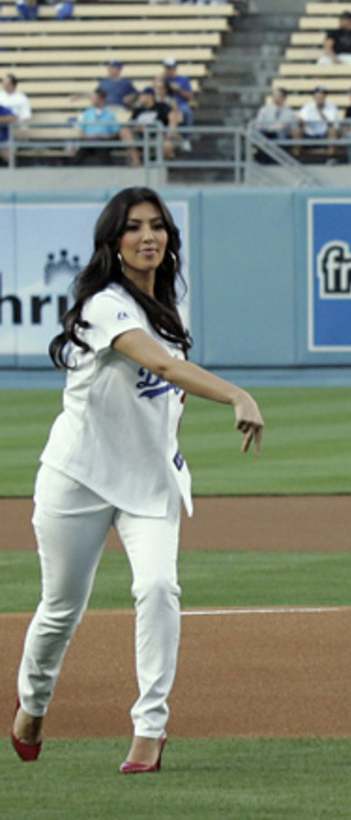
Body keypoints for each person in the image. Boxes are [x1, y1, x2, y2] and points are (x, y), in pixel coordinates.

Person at [9, 187, 264, 773]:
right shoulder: (104, 304)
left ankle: (150, 728)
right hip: (78, 478)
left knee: (158, 589)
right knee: (60, 609)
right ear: (114, 241)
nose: (148, 236)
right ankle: (34, 701)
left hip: (150, 481)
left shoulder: (170, 312)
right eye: (134, 227)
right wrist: (236, 393)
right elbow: (163, 367)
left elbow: (164, 386)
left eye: (158, 226)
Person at [120, 85, 180, 165]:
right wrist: (137, 128)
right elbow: (131, 124)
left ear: (149, 96)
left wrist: (170, 132)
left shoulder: (162, 106)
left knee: (167, 145)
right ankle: (136, 160)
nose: (140, 98)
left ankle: (163, 164)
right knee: (124, 131)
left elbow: (172, 117)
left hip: (158, 136)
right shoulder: (138, 110)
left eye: (142, 95)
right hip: (141, 137)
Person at [71, 89, 122, 164]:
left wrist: (106, 137)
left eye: (95, 98)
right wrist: (89, 136)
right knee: (86, 147)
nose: (92, 100)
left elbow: (116, 132)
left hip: (104, 141)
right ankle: (72, 166)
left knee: (100, 146)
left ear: (101, 99)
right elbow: (82, 131)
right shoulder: (87, 113)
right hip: (89, 140)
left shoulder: (110, 114)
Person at [294, 85, 339, 158]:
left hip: (324, 135)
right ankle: (296, 157)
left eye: (322, 96)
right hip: (310, 135)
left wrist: (322, 114)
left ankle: (331, 157)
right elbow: (301, 121)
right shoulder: (307, 107)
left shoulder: (331, 107)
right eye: (318, 96)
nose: (320, 98)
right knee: (297, 131)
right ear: (314, 97)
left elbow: (333, 125)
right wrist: (302, 123)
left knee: (332, 131)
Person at [160, 58, 193, 128]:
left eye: (171, 68)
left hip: (180, 105)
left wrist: (178, 89)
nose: (169, 70)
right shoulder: (162, 79)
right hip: (165, 104)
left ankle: (186, 136)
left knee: (186, 111)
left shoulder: (183, 79)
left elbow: (190, 96)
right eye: (167, 68)